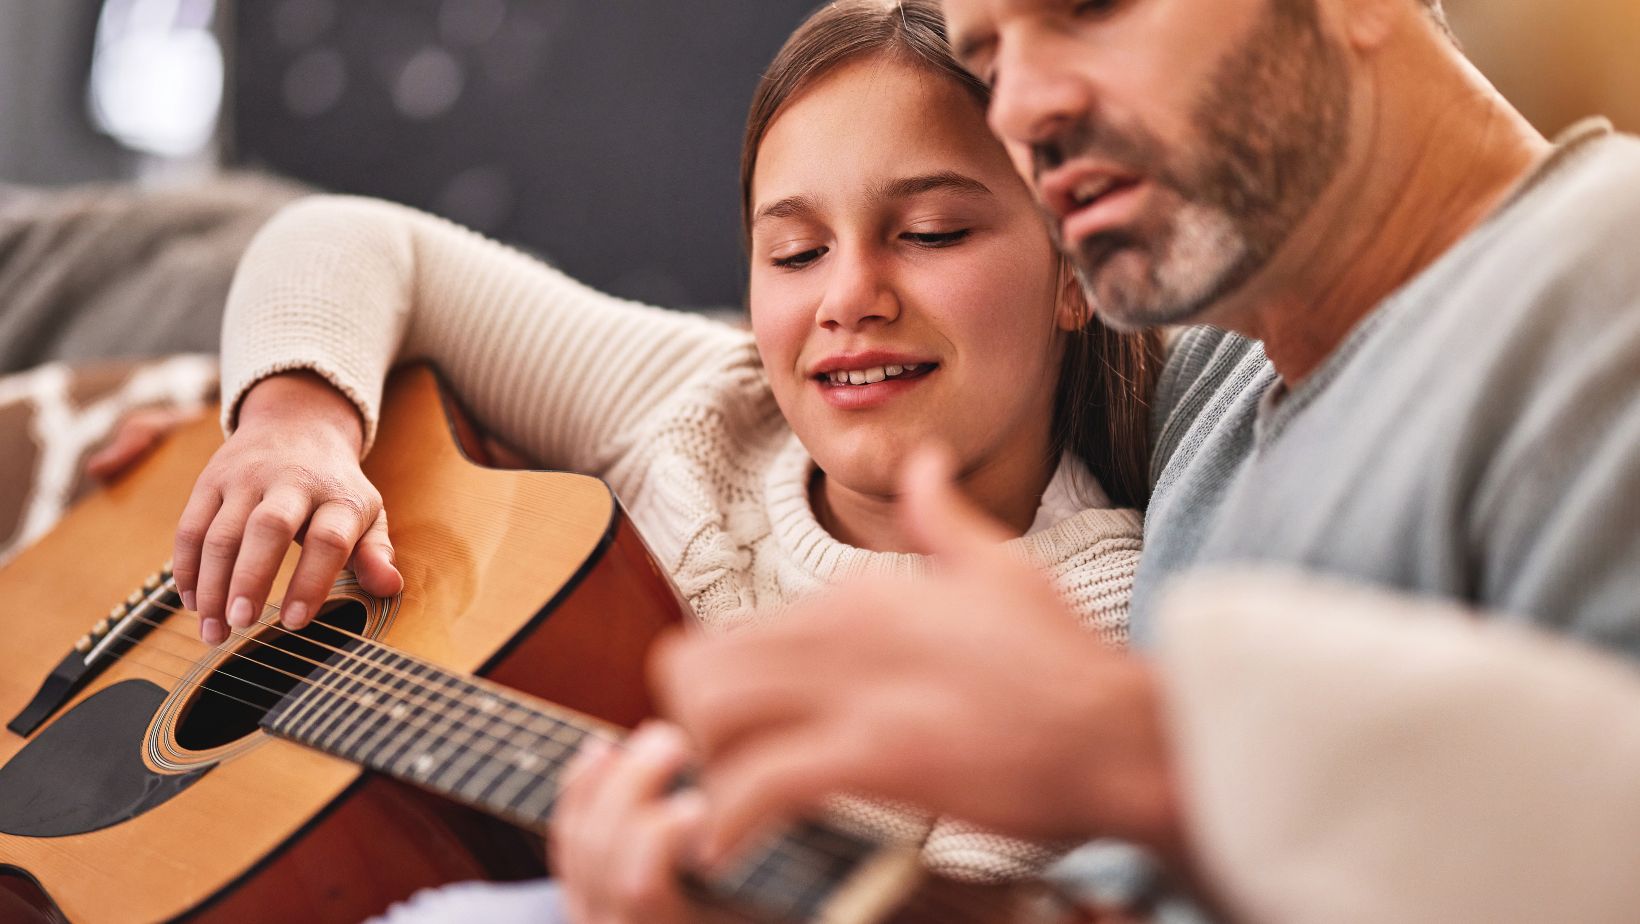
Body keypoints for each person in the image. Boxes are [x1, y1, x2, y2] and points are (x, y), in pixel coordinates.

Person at [171, 1, 1163, 920]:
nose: (848, 296)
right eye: (795, 252)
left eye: (931, 233)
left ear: (1076, 269)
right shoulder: (705, 402)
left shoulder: (1090, 628)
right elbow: (351, 241)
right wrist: (295, 424)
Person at [651, 0, 1640, 910]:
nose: (1022, 110)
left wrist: (1154, 763)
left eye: (1089, 9)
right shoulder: (1222, 360)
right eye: (990, 60)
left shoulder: (1602, 288)